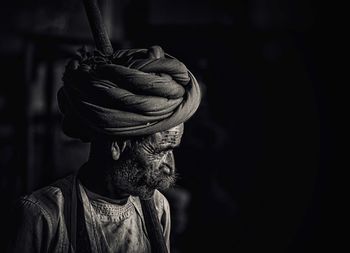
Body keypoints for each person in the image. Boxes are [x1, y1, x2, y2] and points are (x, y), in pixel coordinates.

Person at [7, 45, 201, 253]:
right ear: (117, 145)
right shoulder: (41, 216)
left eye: (172, 150)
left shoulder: (158, 207)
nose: (169, 166)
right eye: (159, 151)